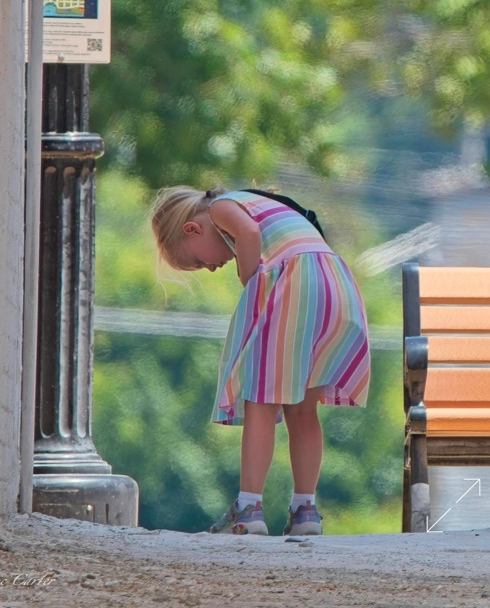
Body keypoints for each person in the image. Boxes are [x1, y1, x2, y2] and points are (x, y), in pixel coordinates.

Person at [151, 186, 370, 536]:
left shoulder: (221, 207)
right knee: (303, 410)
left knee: (261, 400)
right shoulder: (257, 202)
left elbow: (249, 232)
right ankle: (305, 511)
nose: (211, 269)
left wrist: (250, 282)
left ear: (192, 229)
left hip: (295, 285)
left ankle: (249, 508)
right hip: (335, 285)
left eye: (198, 262)